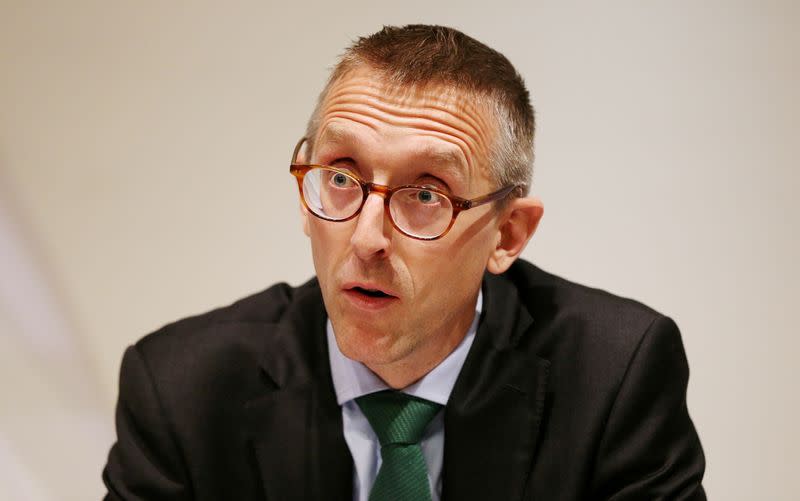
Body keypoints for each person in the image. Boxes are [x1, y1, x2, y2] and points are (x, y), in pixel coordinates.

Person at [102, 24, 705, 500]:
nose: (367, 238)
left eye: (425, 195)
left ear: (507, 234)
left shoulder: (614, 377)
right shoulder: (182, 391)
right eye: (341, 176)